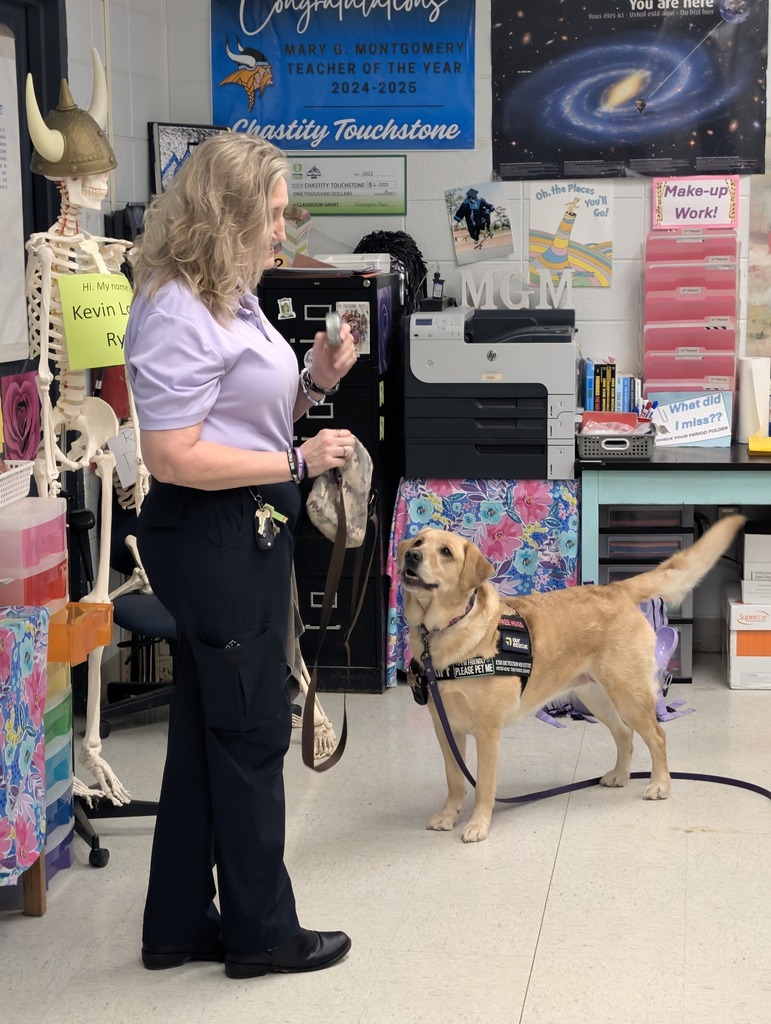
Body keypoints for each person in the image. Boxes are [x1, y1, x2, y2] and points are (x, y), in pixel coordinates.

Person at [123, 132, 356, 979]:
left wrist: (316, 379)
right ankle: (263, 933)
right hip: (212, 532)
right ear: (230, 212)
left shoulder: (231, 294)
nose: (282, 229)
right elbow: (173, 455)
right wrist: (298, 461)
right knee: (254, 727)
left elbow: (249, 407)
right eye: (274, 211)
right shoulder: (175, 309)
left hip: (244, 526)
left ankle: (180, 923)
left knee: (206, 728)